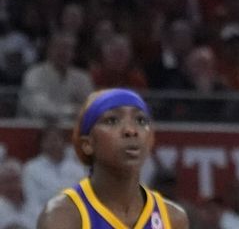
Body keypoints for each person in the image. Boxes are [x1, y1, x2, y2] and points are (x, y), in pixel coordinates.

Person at [35, 88, 189, 228]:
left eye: (141, 120)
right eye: (112, 120)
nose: (131, 130)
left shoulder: (173, 218)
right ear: (88, 144)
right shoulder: (62, 216)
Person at [22, 122, 86, 211]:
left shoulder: (78, 168)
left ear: (64, 142)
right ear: (41, 143)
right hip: (45, 216)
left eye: (56, 139)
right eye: (49, 140)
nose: (53, 143)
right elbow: (32, 202)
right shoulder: (31, 168)